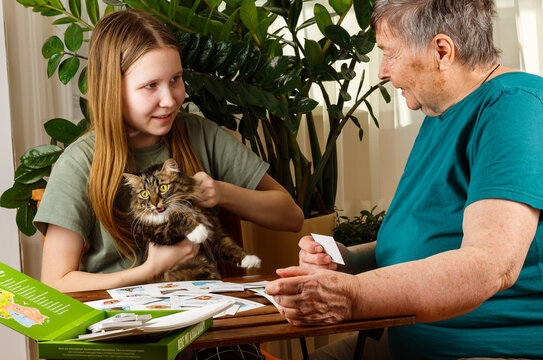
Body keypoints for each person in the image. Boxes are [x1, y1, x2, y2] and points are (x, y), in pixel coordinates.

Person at [265, 1, 543, 359]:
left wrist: (352, 296)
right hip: (410, 339)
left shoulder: (515, 107)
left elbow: (491, 265)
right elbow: (430, 242)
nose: (382, 72)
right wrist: (347, 262)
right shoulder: (441, 111)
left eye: (389, 54)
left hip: (484, 348)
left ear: (442, 51)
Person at [35, 9, 303, 358]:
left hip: (205, 329)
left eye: (175, 79)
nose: (171, 98)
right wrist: (149, 270)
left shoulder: (199, 134)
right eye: (150, 86)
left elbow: (291, 215)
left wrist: (221, 192)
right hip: (123, 337)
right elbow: (56, 284)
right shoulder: (80, 162)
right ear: (112, 89)